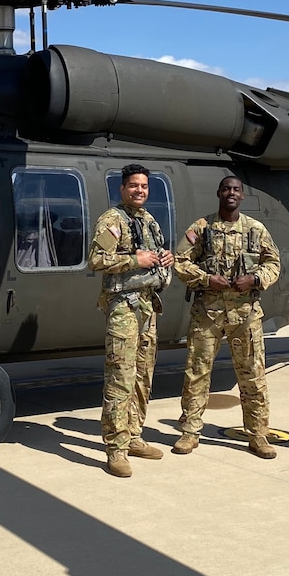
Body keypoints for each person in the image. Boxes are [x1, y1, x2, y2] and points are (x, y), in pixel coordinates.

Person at [172, 175, 282, 459]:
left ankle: (257, 434)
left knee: (253, 376)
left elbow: (273, 264)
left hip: (245, 316)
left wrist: (255, 279)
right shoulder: (201, 228)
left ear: (242, 196)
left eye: (236, 189)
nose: (231, 193)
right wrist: (206, 279)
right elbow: (180, 261)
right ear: (218, 193)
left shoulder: (256, 229)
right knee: (197, 372)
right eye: (226, 189)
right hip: (207, 315)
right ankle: (190, 431)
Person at [88, 163, 174, 478]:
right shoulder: (112, 220)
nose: (140, 190)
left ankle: (134, 434)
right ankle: (115, 448)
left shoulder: (148, 221)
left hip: (148, 307)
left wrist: (166, 258)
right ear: (123, 189)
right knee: (120, 377)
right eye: (134, 186)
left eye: (144, 186)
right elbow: (96, 259)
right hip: (124, 307)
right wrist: (133, 259)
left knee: (143, 376)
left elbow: (156, 254)